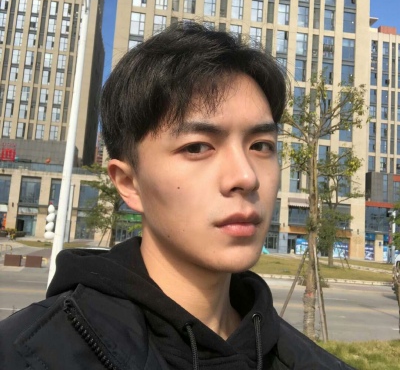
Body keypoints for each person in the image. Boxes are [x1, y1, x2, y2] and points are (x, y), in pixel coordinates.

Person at [0, 22, 354, 369]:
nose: (246, 177)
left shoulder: (306, 360)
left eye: (261, 145)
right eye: (197, 147)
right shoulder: (25, 354)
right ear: (129, 183)